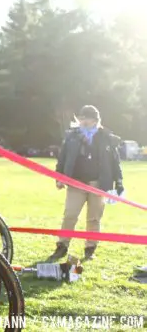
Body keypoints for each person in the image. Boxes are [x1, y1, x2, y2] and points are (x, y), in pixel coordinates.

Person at [47, 105, 124, 262]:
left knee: (94, 218)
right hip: (76, 182)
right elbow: (62, 158)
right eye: (81, 118)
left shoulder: (105, 137)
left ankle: (90, 248)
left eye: (87, 118)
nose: (84, 121)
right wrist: (59, 177)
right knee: (70, 215)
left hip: (98, 183)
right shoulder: (72, 136)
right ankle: (62, 246)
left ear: (96, 120)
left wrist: (119, 182)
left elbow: (115, 162)